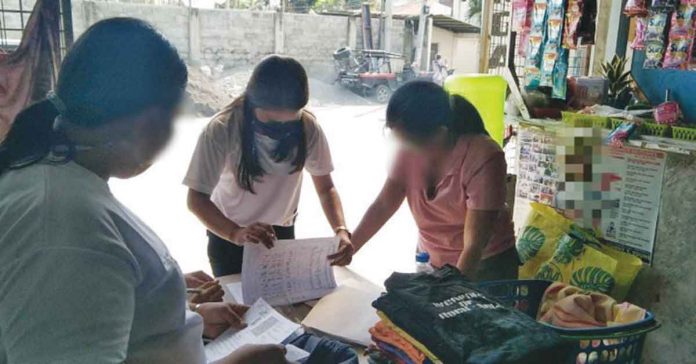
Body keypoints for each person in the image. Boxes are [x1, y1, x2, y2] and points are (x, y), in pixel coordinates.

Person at [0, 18, 286, 364]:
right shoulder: (61, 223)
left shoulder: (63, 181)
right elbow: (76, 267)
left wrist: (175, 308)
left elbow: (90, 306)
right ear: (146, 120)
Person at [184, 55, 353, 277]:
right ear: (254, 104)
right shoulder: (222, 129)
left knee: (284, 305)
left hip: (280, 234)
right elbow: (196, 199)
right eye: (272, 123)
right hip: (228, 234)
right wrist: (236, 233)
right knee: (237, 308)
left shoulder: (307, 127)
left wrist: (340, 230)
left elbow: (326, 188)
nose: (282, 128)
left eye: (290, 121)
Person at [351, 81, 518, 281]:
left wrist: (452, 293)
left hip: (485, 264)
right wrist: (350, 247)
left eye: (410, 142)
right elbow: (384, 204)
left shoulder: (483, 156)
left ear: (440, 134)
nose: (404, 151)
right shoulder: (407, 149)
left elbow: (473, 246)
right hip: (430, 260)